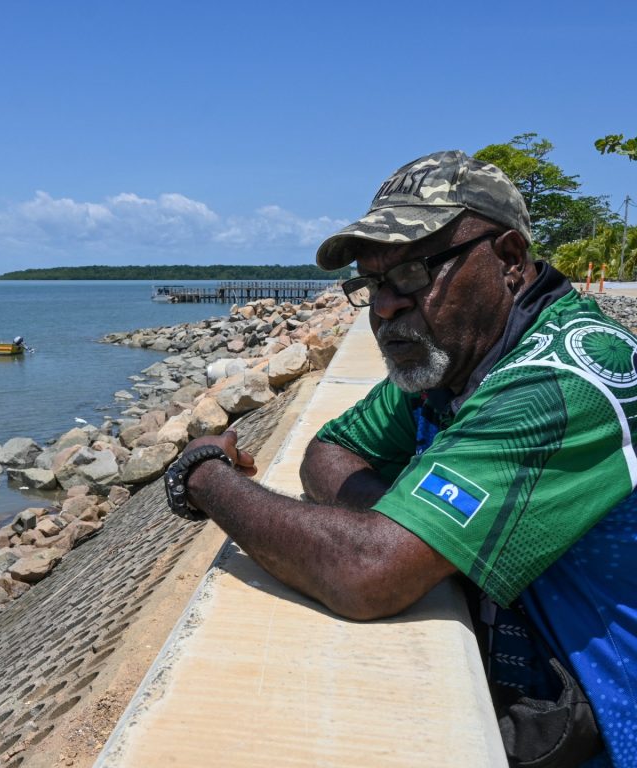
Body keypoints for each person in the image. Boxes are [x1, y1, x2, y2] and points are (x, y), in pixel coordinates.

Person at [165, 150, 637, 767]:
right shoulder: (451, 361)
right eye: (372, 283)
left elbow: (366, 573)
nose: (385, 306)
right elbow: (328, 452)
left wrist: (202, 475)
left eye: (414, 273)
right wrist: (412, 525)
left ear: (510, 261)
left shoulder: (559, 382)